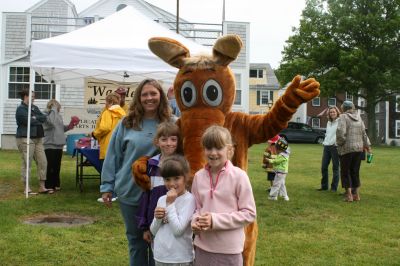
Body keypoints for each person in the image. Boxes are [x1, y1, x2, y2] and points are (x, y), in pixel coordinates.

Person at [100, 78, 172, 266]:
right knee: (137, 242)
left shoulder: (171, 122)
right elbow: (113, 155)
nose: (149, 98)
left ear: (161, 96)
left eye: (153, 94)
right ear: (138, 98)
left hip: (162, 194)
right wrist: (107, 186)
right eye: (145, 94)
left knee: (161, 242)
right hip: (130, 192)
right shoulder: (127, 123)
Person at [191, 125, 256, 266]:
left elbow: (249, 213)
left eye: (218, 148)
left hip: (229, 250)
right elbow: (196, 208)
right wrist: (195, 221)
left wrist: (215, 220)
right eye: (208, 148)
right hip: (202, 248)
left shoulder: (239, 176)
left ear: (229, 149)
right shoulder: (198, 177)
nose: (213, 153)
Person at [134, 121, 183, 266]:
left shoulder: (183, 165)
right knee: (157, 258)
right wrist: (145, 227)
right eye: (164, 139)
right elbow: (146, 197)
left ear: (179, 141)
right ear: (157, 141)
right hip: (155, 223)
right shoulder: (151, 166)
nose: (169, 143)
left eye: (173, 139)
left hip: (177, 223)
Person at [150, 155, 196, 266]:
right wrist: (157, 218)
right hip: (160, 255)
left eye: (176, 178)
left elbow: (178, 231)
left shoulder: (190, 199)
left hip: (180, 258)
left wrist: (170, 204)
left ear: (185, 177)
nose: (171, 183)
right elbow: (153, 231)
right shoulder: (162, 199)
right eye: (167, 179)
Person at [15, 89, 51, 195]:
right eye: (32, 96)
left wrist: (35, 117)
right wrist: (35, 118)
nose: (34, 98)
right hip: (26, 138)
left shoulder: (34, 107)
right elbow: (28, 121)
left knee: (43, 162)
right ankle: (27, 188)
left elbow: (44, 118)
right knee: (27, 163)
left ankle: (42, 187)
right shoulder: (20, 109)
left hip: (38, 138)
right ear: (26, 96)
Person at [336, 101, 371, 202]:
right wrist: (368, 146)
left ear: (344, 108)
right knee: (355, 172)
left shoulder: (343, 117)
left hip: (347, 149)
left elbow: (340, 132)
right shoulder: (359, 117)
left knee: (345, 172)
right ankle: (357, 195)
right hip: (359, 149)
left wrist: (340, 143)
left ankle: (349, 196)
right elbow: (364, 133)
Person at [43, 99, 79, 191]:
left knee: (56, 166)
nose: (59, 108)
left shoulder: (58, 116)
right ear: (53, 106)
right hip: (50, 144)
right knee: (50, 166)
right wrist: (53, 109)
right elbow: (50, 123)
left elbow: (61, 128)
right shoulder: (46, 115)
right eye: (58, 106)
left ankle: (56, 184)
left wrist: (71, 125)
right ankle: (49, 185)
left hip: (59, 144)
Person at [92, 93, 126, 166]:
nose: (105, 104)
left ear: (111, 102)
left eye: (106, 102)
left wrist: (95, 134)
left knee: (106, 174)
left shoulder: (108, 112)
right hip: (120, 147)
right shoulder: (123, 114)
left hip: (107, 148)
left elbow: (105, 128)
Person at [317, 106, 341, 192]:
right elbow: (327, 134)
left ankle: (334, 188)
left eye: (334, 112)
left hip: (335, 147)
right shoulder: (328, 122)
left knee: (335, 168)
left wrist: (337, 143)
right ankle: (324, 186)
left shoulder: (340, 121)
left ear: (337, 112)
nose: (332, 113)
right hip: (327, 146)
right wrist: (325, 142)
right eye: (331, 112)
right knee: (324, 167)